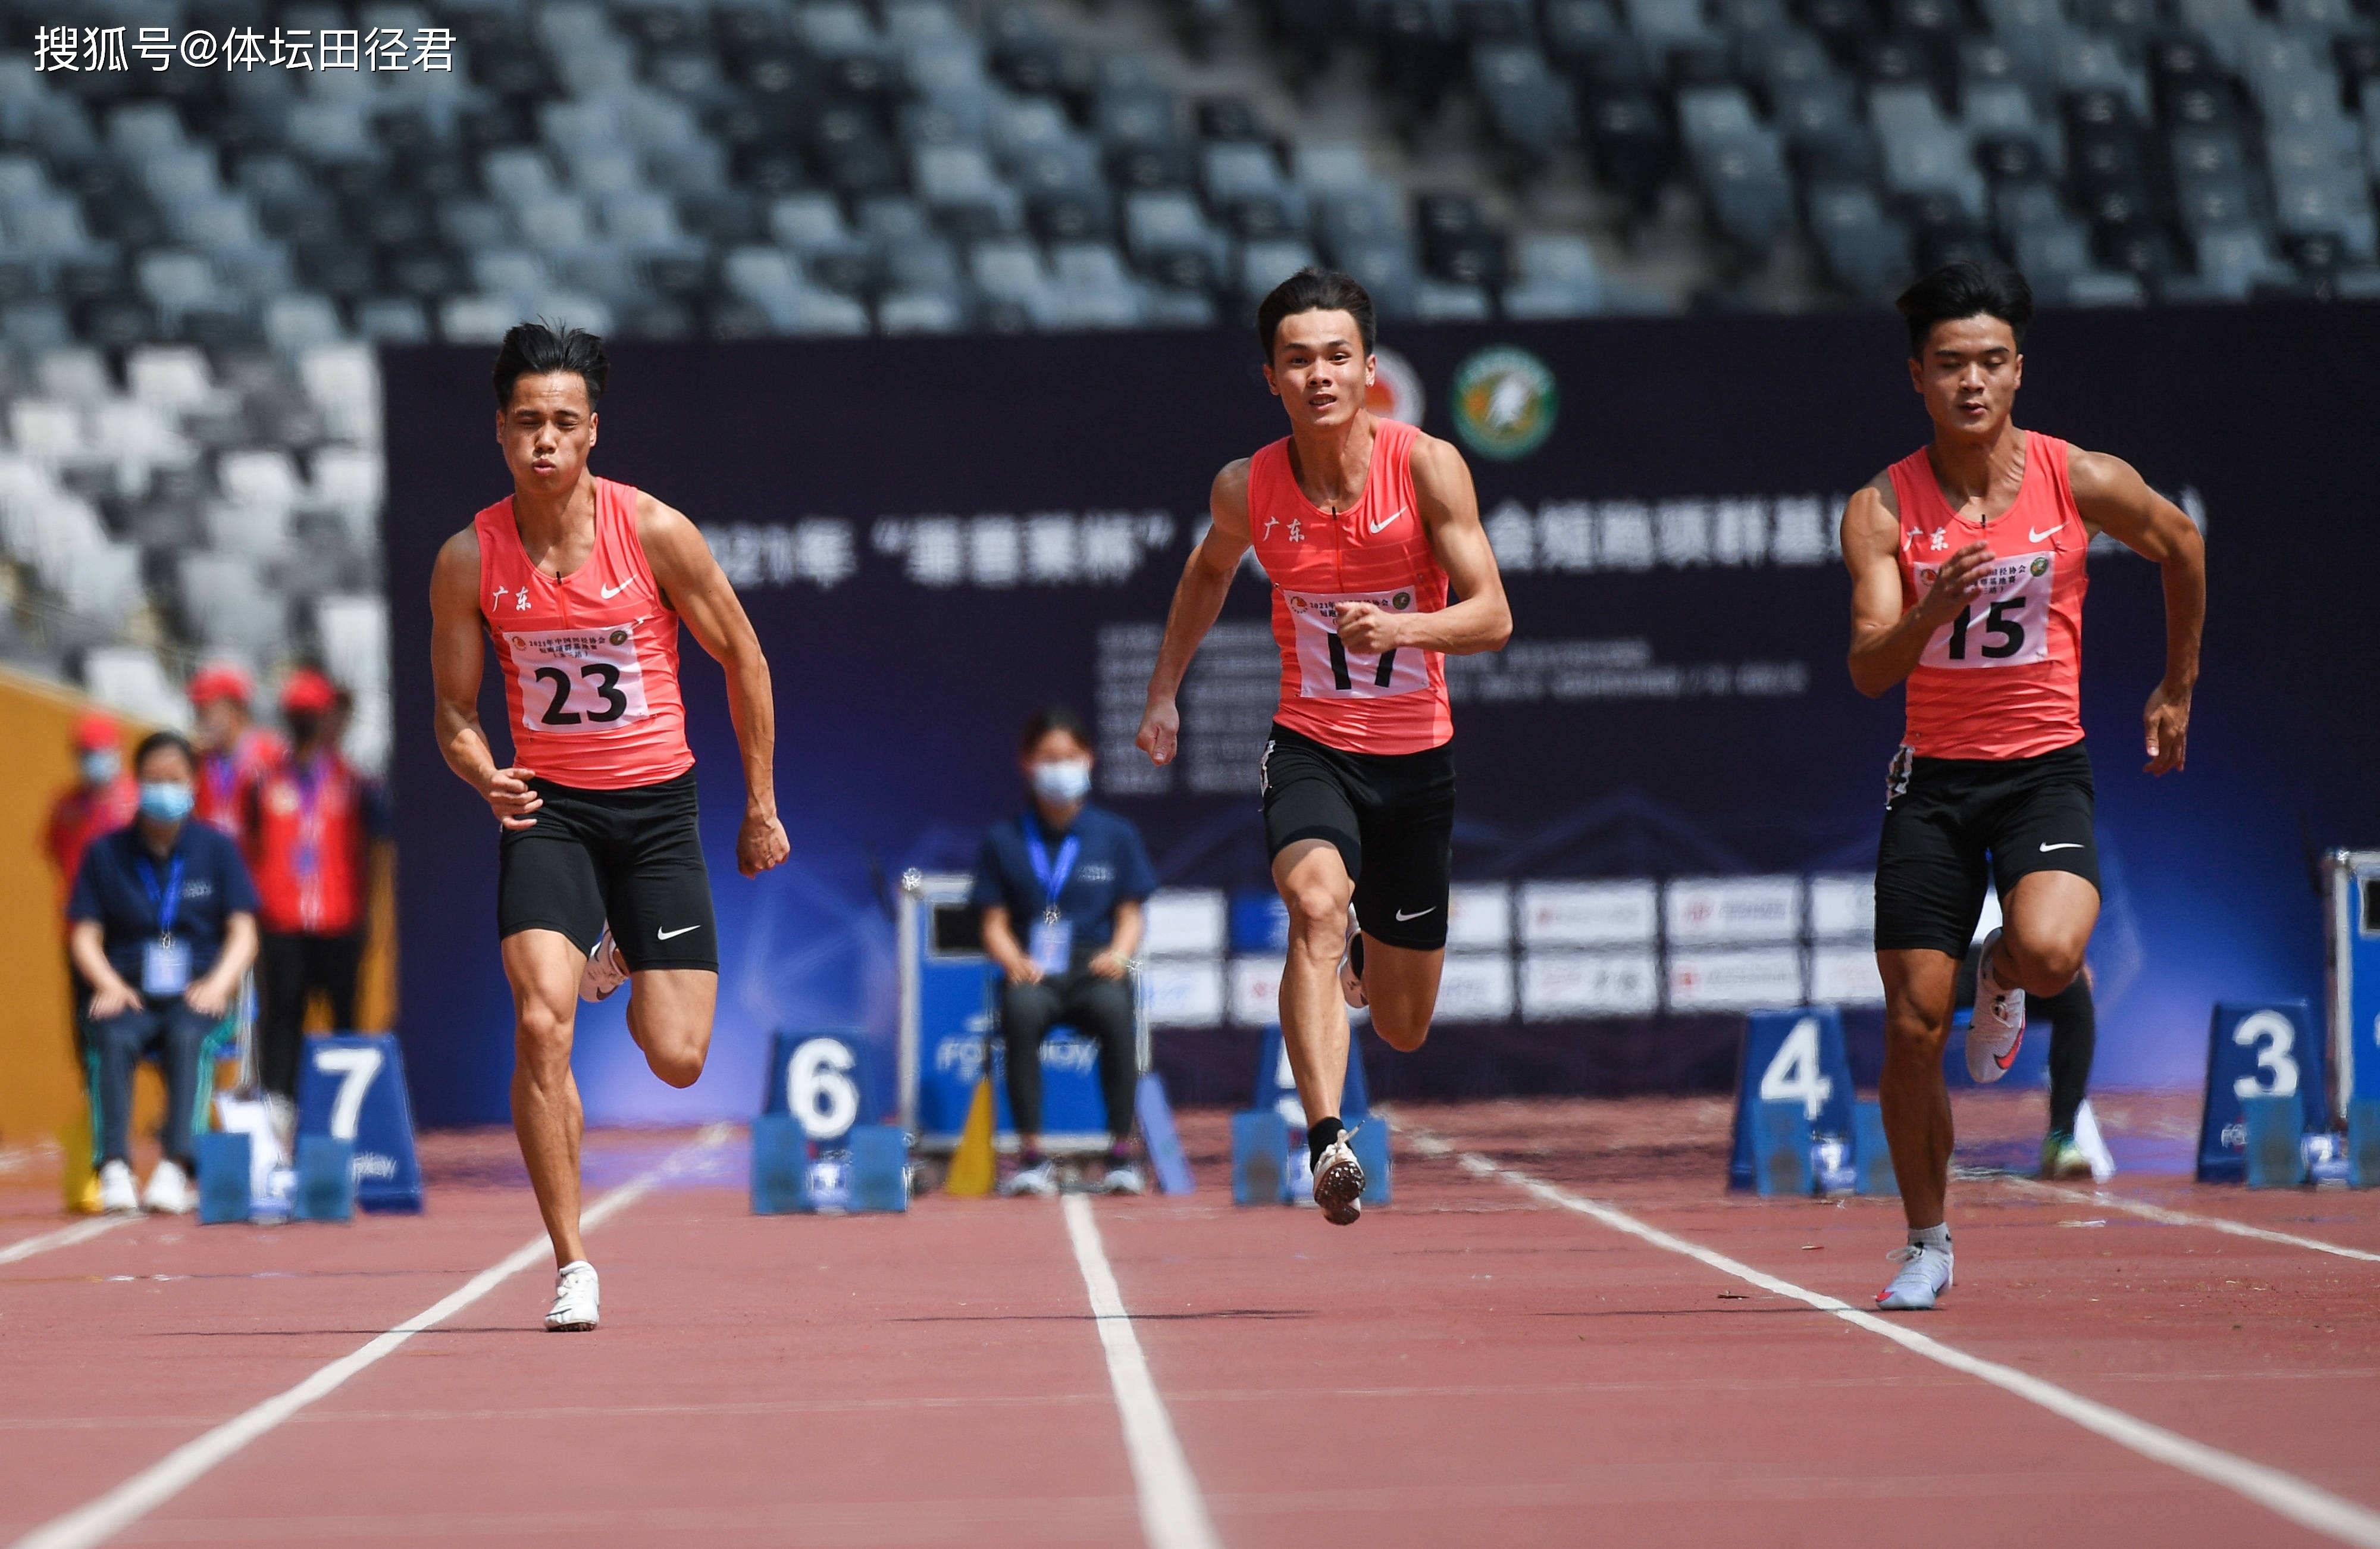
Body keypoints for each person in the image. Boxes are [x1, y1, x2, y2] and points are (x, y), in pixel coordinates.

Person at [1842, 262, 2204, 1310]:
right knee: (1912, 1021)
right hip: (1935, 787)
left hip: (2044, 768)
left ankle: (1996, 965)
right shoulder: (1880, 508)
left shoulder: (2074, 478)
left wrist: (2176, 687)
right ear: (1918, 376)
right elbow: (1871, 667)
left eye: (1992, 363)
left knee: (2052, 953)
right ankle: (1925, 1237)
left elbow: (2180, 544)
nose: (1973, 384)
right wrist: (1929, 605)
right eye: (1951, 364)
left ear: (2018, 370)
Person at [428, 322, 789, 1332]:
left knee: (678, 1056)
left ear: (594, 433)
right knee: (543, 1017)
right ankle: (572, 1259)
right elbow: (454, 711)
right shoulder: (470, 558)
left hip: (657, 809)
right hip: (550, 813)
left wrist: (760, 805)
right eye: (528, 422)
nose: (546, 440)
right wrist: (480, 772)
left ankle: (624, 941)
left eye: (565, 422)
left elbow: (745, 658)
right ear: (501, 432)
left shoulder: (655, 533)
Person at [1135, 269, 1512, 1225]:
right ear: (1271, 375)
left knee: (1402, 1021)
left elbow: (1493, 615)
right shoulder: (1246, 487)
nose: (1320, 376)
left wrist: (1404, 631)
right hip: (1311, 744)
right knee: (1312, 903)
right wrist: (1164, 692)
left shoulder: (1427, 468)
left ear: (1370, 368)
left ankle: (1363, 952)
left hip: (1417, 758)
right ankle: (1329, 1139)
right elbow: (1204, 576)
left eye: (1337, 357)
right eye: (1298, 359)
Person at [67, 731, 261, 1215]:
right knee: (109, 1037)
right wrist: (108, 984)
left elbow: (244, 931)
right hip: (128, 991)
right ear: (137, 783)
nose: (165, 789)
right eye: (154, 779)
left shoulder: (216, 849)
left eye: (175, 779)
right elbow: (84, 934)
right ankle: (113, 1165)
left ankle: (178, 1163)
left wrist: (218, 984)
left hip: (196, 991)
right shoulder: (105, 853)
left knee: (188, 1037)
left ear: (193, 784)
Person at [973, 706, 1157, 1197]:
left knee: (1116, 1009)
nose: (1060, 767)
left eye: (1070, 757)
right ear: (1027, 764)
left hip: (1094, 963)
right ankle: (1031, 1155)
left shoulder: (1117, 835)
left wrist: (1119, 954)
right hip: (1035, 968)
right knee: (1019, 1010)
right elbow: (991, 921)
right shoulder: (1003, 839)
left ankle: (1121, 1152)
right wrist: (1012, 960)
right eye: (1049, 758)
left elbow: (1131, 912)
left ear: (1089, 760)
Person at [244, 666, 392, 1111]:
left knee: (345, 1017)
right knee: (282, 1017)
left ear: (330, 717)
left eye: (315, 713)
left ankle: (347, 1112)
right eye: (299, 714)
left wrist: (369, 914)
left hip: (340, 918)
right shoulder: (265, 781)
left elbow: (378, 845)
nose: (307, 723)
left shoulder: (357, 783)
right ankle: (278, 1108)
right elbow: (253, 842)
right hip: (282, 920)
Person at [1953, 934, 2099, 1179]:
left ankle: (2061, 1138)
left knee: (2074, 993)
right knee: (1921, 1005)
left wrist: (2073, 957)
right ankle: (1927, 1140)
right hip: (1957, 958)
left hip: (2018, 957)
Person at [187, 661, 285, 843]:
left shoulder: (274, 755)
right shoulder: (200, 761)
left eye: (206, 710)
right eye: (197, 710)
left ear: (235, 708)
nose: (200, 719)